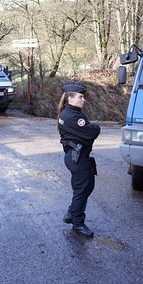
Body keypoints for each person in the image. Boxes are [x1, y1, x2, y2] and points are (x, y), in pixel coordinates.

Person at [57, 82, 101, 238]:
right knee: (82, 189)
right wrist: (95, 127)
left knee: (87, 187)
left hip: (79, 156)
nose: (84, 100)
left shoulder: (71, 113)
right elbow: (91, 132)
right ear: (70, 98)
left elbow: (86, 132)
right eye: (80, 97)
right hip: (77, 156)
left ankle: (71, 212)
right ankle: (78, 223)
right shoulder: (71, 116)